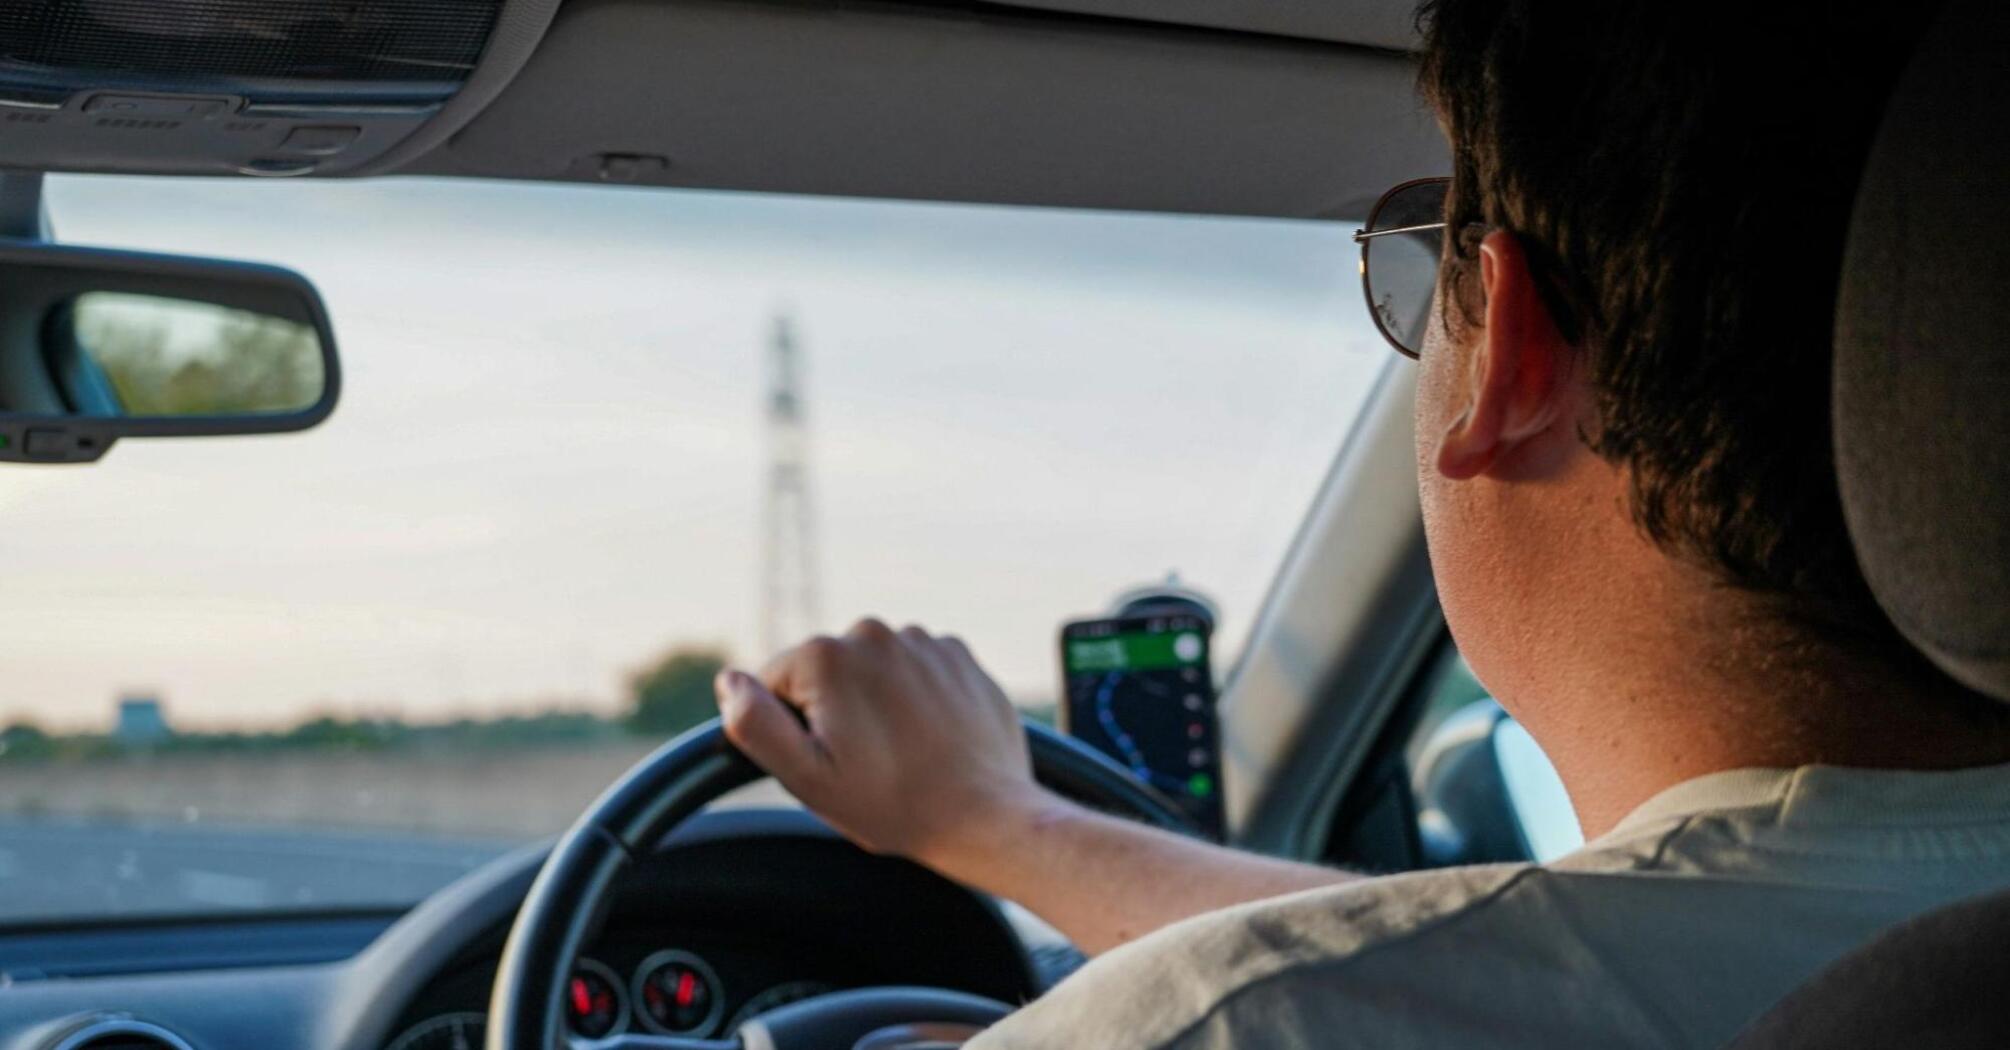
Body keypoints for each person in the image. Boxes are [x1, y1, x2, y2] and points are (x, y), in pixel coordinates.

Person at [711, 2, 2010, 1046]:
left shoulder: (1233, 1024)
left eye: (1422, 255)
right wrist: (1003, 825)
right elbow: (1507, 961)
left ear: (1507, 354)